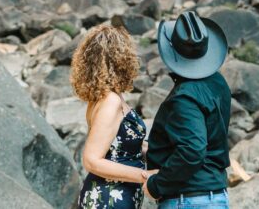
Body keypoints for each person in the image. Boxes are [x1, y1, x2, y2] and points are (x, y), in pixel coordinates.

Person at [144, 11, 232, 208]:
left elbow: (192, 150)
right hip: (215, 195)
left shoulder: (184, 97)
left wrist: (156, 185)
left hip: (188, 200)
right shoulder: (218, 83)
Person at [71, 24, 156, 209]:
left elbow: (120, 145)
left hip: (112, 194)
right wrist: (146, 175)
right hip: (108, 197)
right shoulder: (110, 101)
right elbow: (92, 160)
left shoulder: (104, 98)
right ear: (121, 59)